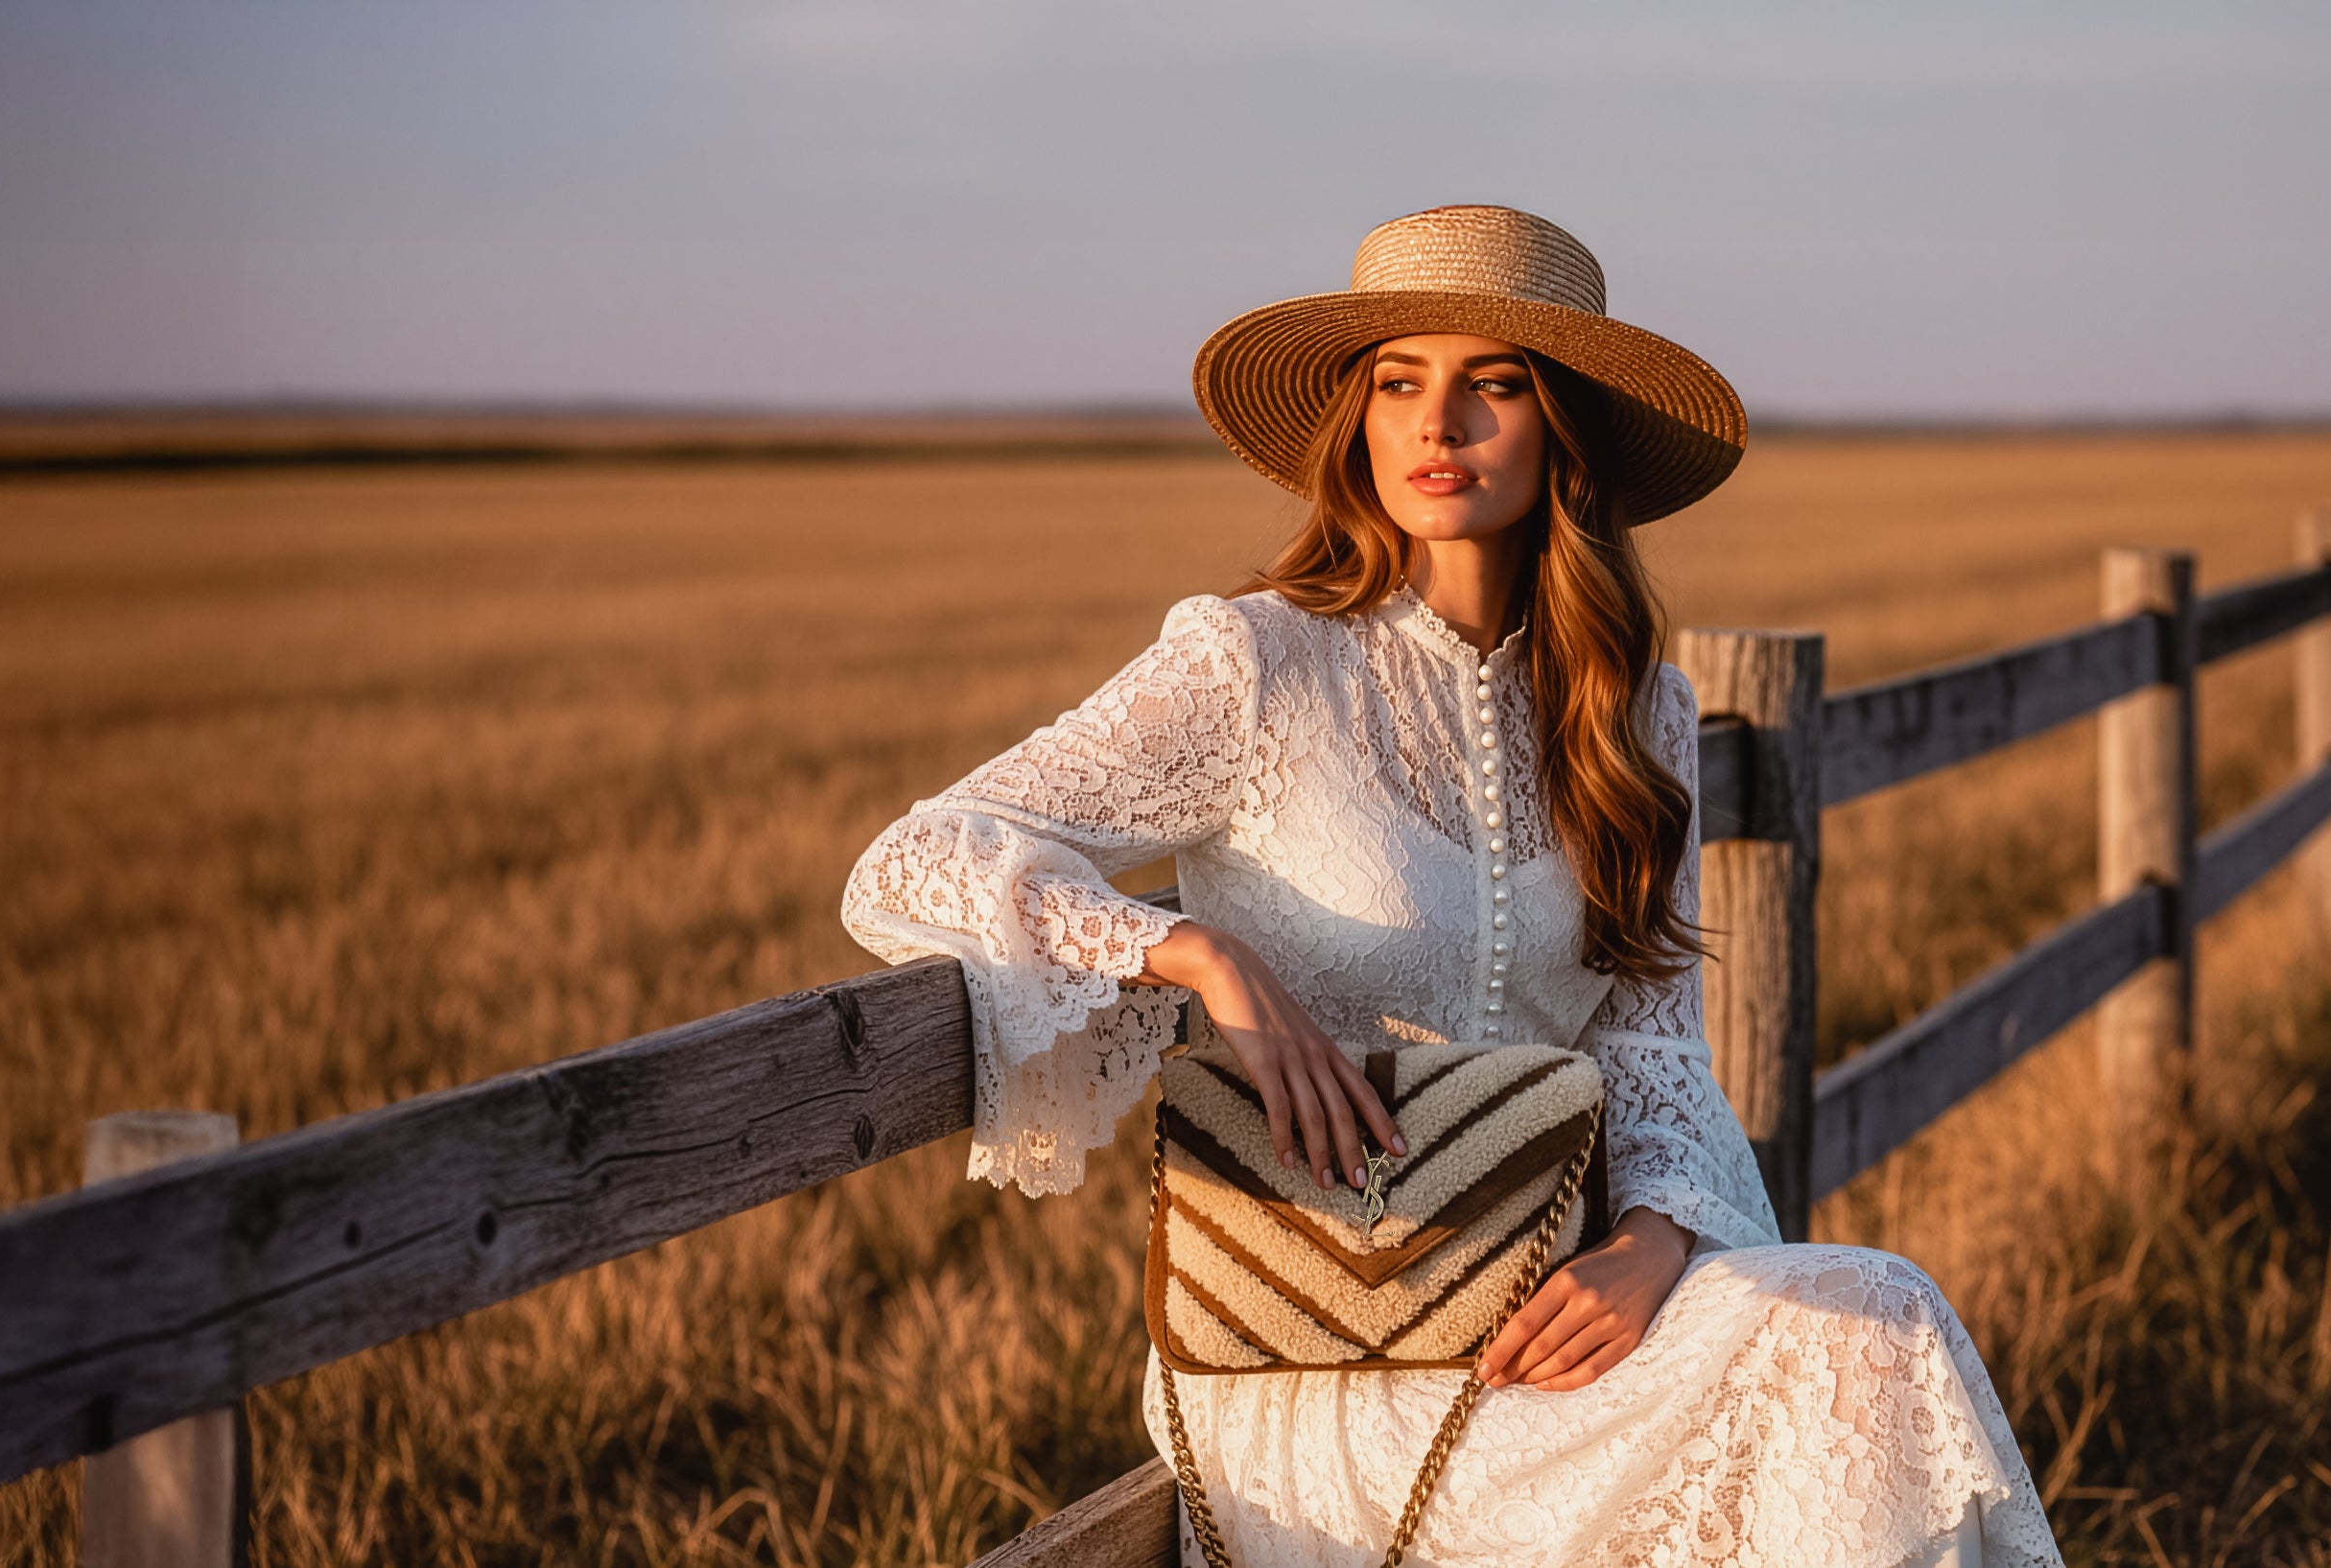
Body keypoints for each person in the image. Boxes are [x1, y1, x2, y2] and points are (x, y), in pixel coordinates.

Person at [842, 205, 2060, 1568]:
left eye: (1493, 385)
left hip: (1558, 1314)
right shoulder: (1253, 667)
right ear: (1356, 425)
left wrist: (1655, 1245)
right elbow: (916, 855)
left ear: (1561, 433)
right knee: (1857, 1330)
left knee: (1870, 1327)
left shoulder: (1634, 709)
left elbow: (1652, 1046)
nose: (1440, 427)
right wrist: (1198, 958)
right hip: (1314, 1356)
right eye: (1398, 384)